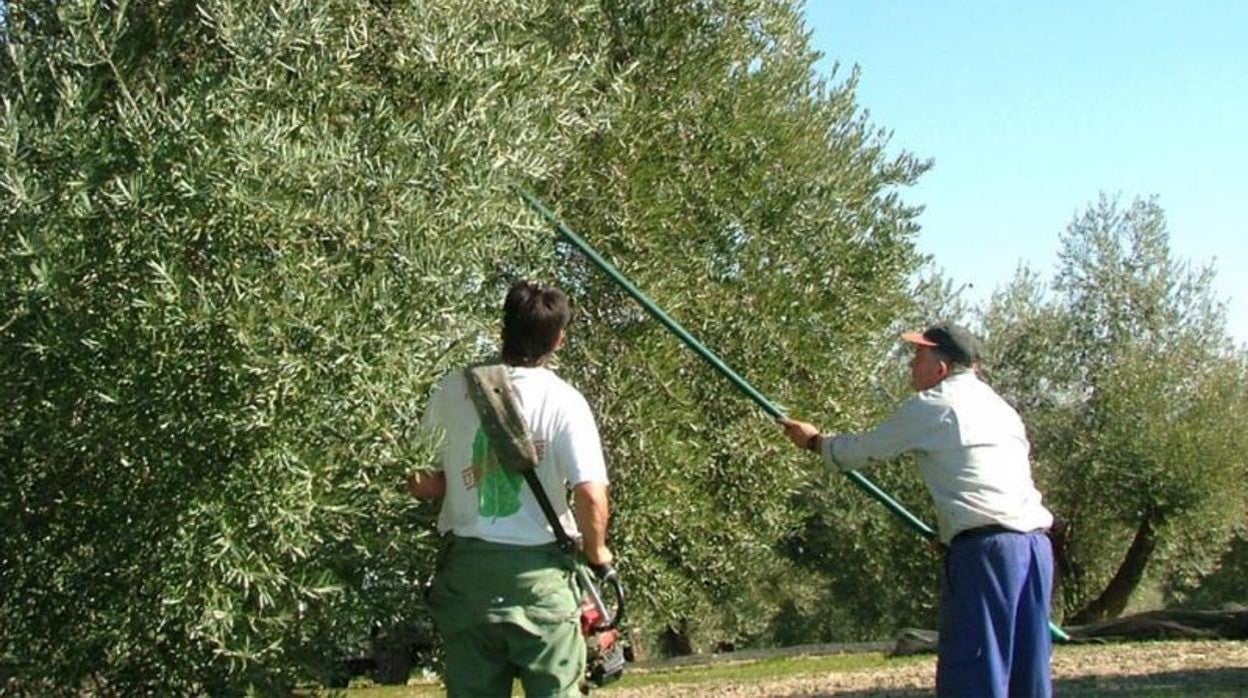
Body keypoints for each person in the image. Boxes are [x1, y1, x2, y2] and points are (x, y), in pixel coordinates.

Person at [779, 322, 1054, 698]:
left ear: (941, 368)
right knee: (1028, 676)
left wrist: (814, 442)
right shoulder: (1001, 408)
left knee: (976, 673)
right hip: (1034, 550)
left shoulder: (936, 405)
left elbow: (866, 449)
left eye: (918, 356)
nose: (910, 365)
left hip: (986, 553)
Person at [409, 280, 613, 697]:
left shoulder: (453, 390)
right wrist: (597, 553)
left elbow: (421, 482)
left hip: (468, 580)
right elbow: (590, 494)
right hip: (539, 582)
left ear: (502, 329)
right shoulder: (565, 401)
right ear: (559, 339)